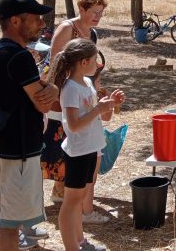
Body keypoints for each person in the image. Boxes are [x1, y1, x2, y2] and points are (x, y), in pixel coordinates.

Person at [0, 0, 59, 251]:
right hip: (18, 152)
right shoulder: (20, 57)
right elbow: (42, 103)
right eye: (36, 18)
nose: (41, 24)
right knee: (10, 224)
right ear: (15, 21)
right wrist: (53, 90)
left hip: (2, 147)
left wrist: (48, 88)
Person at [48, 38, 125, 251]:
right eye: (94, 60)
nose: (97, 65)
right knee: (71, 203)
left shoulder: (88, 83)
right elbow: (73, 125)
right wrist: (98, 109)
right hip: (78, 152)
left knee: (80, 199)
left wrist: (111, 104)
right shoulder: (71, 88)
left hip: (92, 148)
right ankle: (71, 247)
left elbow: (99, 115)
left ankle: (80, 241)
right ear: (83, 62)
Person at [43, 0, 109, 225]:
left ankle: (66, 193)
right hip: (64, 95)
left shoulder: (92, 33)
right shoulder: (66, 28)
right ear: (81, 9)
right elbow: (56, 64)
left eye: (101, 13)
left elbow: (90, 66)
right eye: (94, 12)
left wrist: (94, 89)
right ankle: (68, 197)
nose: (98, 17)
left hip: (82, 93)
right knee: (63, 145)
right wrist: (65, 95)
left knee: (75, 145)